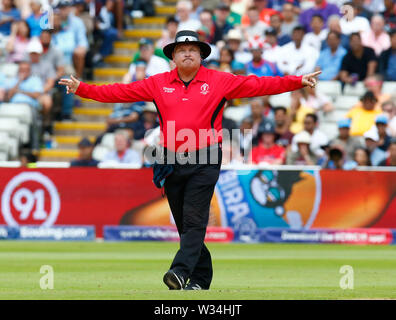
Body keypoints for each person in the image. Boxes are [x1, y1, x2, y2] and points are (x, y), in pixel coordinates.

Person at [59, 30, 321, 291]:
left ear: (201, 56)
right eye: (182, 50)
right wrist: (82, 88)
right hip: (169, 158)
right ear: (173, 56)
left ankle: (179, 272)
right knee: (186, 225)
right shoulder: (157, 82)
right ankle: (201, 279)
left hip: (206, 157)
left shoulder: (220, 81)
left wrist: (298, 81)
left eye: (193, 50)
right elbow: (120, 92)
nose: (187, 53)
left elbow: (261, 85)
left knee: (195, 219)